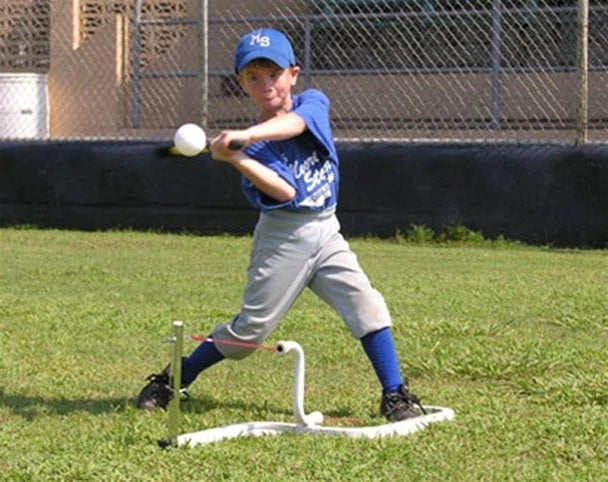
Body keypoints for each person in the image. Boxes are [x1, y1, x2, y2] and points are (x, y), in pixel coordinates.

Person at [136, 28, 425, 422]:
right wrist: (238, 156)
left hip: (326, 229)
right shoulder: (251, 151)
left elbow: (295, 125)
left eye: (274, 74)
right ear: (242, 83)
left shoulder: (313, 104)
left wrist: (243, 136)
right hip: (283, 238)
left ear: (293, 74)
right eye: (253, 77)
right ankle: (176, 377)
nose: (266, 84)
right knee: (247, 335)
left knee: (367, 305)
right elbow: (286, 192)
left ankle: (395, 394)